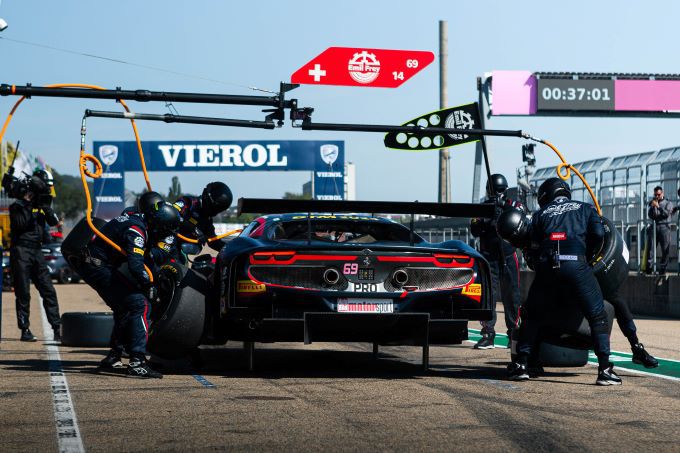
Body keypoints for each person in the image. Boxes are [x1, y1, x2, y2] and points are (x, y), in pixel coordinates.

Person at [502, 178, 621, 385]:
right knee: (597, 316)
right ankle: (604, 370)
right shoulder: (585, 208)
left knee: (532, 316)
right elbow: (599, 234)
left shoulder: (540, 214)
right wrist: (585, 256)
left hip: (547, 267)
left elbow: (533, 245)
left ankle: (521, 364)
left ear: (546, 195)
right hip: (576, 263)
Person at [78, 201, 181, 378]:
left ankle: (114, 356)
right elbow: (136, 266)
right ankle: (137, 362)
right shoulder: (136, 231)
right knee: (141, 304)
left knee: (124, 308)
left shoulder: (136, 218)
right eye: (166, 230)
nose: (166, 235)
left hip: (96, 264)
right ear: (158, 225)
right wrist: (149, 285)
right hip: (98, 267)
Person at [469, 174, 521, 350]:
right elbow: (474, 230)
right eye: (495, 191)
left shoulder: (513, 204)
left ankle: (513, 333)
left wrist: (504, 210)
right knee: (488, 296)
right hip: (488, 258)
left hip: (508, 255)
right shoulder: (481, 208)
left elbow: (521, 220)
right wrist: (489, 218)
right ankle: (488, 334)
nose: (498, 194)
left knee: (512, 296)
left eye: (500, 190)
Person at [9, 169, 61, 342]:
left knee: (48, 290)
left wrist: (45, 208)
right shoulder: (17, 206)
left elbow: (53, 222)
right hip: (21, 251)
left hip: (37, 251)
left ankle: (57, 328)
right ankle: (25, 329)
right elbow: (21, 224)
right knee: (23, 292)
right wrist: (28, 204)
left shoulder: (42, 205)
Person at [173, 181, 233, 255]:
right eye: (216, 208)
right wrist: (193, 229)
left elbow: (213, 242)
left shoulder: (207, 220)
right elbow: (173, 215)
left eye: (219, 210)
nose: (216, 212)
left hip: (179, 253)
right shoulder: (188, 202)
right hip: (166, 242)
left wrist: (231, 249)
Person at [646, 186, 674, 275]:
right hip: (654, 228)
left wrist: (658, 206)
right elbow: (650, 215)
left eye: (658, 194)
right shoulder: (654, 203)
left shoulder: (668, 203)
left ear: (662, 193)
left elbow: (666, 214)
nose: (657, 196)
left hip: (665, 228)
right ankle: (649, 268)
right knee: (650, 249)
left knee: (665, 249)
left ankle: (663, 269)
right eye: (655, 195)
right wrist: (652, 207)